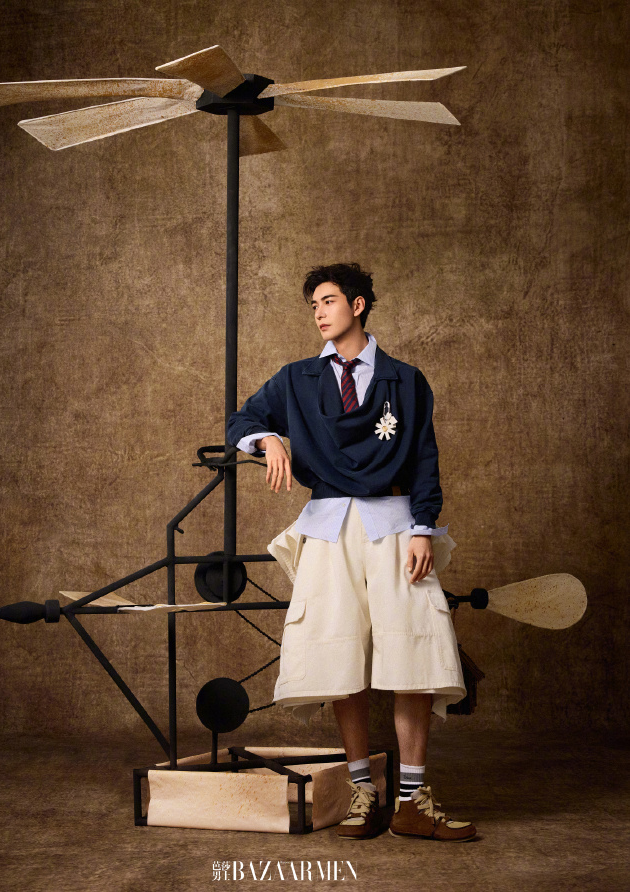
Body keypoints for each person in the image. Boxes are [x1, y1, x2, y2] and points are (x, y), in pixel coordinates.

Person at [227, 263, 476, 842]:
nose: (318, 312)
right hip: (329, 527)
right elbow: (241, 418)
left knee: (414, 654)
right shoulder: (296, 379)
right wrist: (268, 439)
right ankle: (364, 793)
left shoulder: (405, 380)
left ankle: (412, 801)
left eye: (329, 300)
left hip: (394, 524)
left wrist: (422, 527)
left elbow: (425, 457)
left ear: (357, 305)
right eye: (313, 304)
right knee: (342, 657)